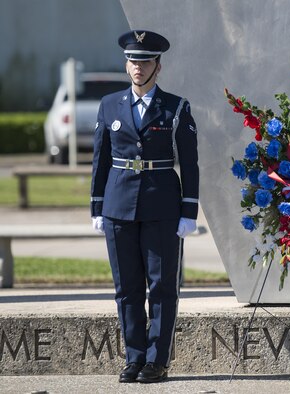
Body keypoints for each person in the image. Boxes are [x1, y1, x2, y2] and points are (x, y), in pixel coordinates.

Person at [90, 29, 199, 383]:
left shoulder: (176, 107)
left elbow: (191, 163)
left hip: (162, 205)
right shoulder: (109, 105)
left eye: (145, 61)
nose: (138, 68)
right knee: (127, 288)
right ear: (126, 65)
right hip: (118, 205)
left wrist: (188, 211)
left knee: (163, 287)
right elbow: (100, 159)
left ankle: (156, 361)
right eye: (134, 61)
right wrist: (96, 206)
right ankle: (134, 358)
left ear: (158, 66)